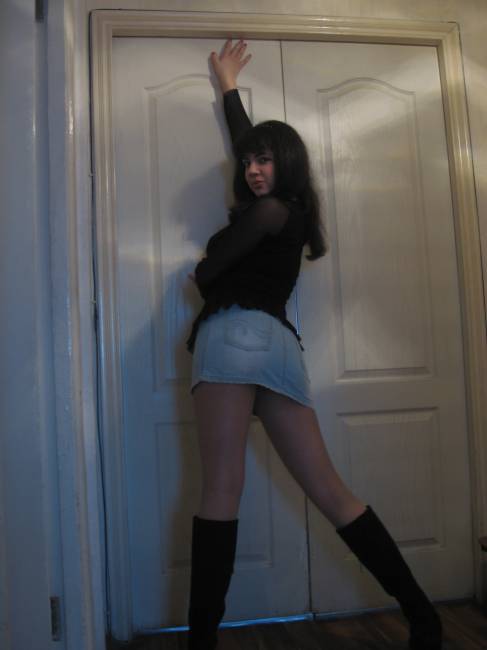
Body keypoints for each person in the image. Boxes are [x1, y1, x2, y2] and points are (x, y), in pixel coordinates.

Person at [185, 39, 442, 650]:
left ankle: (199, 644)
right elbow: (254, 148)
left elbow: (207, 274)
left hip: (231, 337)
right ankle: (423, 616)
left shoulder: (266, 213)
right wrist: (229, 91)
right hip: (278, 346)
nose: (253, 169)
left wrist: (201, 270)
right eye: (250, 161)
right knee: (331, 491)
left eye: (265, 161)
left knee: (220, 489)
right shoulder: (291, 212)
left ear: (288, 165)